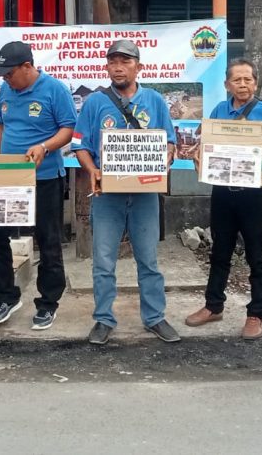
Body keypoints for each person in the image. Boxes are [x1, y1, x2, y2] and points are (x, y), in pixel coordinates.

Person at [72, 39, 180, 345]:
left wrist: (167, 157)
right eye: (112, 62)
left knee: (148, 260)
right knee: (103, 261)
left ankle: (155, 317)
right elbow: (80, 144)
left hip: (145, 194)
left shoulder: (155, 101)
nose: (118, 68)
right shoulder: (95, 103)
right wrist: (92, 170)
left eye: (125, 62)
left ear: (138, 67)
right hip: (107, 196)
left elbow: (170, 141)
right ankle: (104, 319)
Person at [185, 59, 262, 340]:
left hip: (254, 195)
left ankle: (257, 313)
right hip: (223, 193)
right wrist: (200, 158)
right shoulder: (220, 110)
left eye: (248, 79)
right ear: (226, 85)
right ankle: (213, 306)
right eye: (237, 80)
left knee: (257, 255)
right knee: (219, 251)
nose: (243, 84)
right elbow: (207, 147)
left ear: (255, 83)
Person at [0, 41, 76, 329]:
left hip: (45, 178)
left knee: (47, 242)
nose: (5, 79)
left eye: (9, 73)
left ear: (27, 67)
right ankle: (6, 296)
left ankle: (48, 303)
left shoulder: (54, 89)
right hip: (8, 178)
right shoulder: (5, 90)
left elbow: (68, 130)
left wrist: (45, 147)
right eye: (2, 75)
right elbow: (0, 126)